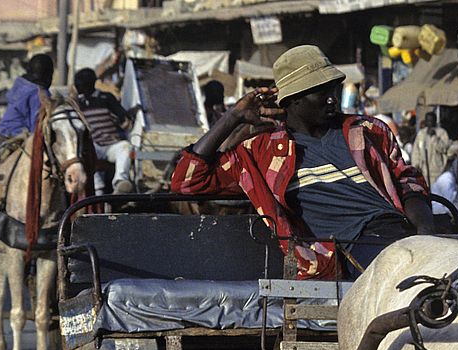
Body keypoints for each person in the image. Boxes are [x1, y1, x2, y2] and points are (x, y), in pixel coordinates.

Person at [171, 44, 434, 280]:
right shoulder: (261, 152)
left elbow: (407, 182)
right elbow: (186, 182)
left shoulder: (368, 130)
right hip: (353, 248)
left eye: (334, 89)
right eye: (321, 92)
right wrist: (234, 116)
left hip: (401, 233)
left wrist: (425, 228)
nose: (332, 98)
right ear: (294, 100)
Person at [73, 68, 135, 194]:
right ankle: (98, 190)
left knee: (125, 147)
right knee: (85, 152)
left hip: (111, 145)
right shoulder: (75, 104)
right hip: (92, 146)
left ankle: (120, 182)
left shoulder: (106, 99)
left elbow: (124, 121)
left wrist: (123, 120)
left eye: (81, 84)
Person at [0, 53, 53, 137]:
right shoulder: (39, 93)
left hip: (2, 130)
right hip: (17, 134)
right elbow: (36, 125)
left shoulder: (19, 83)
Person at [411, 111, 451, 185]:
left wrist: (434, 137)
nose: (430, 123)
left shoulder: (442, 133)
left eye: (431, 120)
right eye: (428, 120)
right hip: (423, 170)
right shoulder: (421, 134)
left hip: (437, 171)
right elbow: (416, 151)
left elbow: (444, 149)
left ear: (435, 121)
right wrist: (416, 165)